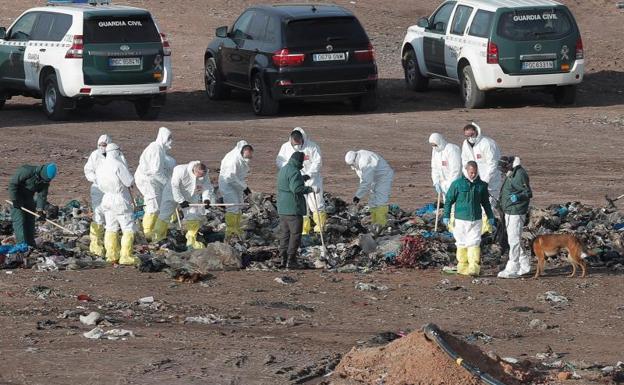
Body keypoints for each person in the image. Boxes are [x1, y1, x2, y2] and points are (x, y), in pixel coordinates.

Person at [442, 161, 495, 276]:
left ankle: (473, 268)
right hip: (460, 220)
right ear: (466, 170)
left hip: (476, 219)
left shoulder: (481, 185)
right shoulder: (457, 184)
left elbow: (486, 203)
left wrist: (490, 216)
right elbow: (449, 201)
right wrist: (446, 215)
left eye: (475, 172)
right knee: (461, 243)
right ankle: (462, 266)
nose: (473, 174)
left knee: (474, 243)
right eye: (471, 172)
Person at [155, 161, 216, 249]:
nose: (201, 177)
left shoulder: (204, 173)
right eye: (200, 176)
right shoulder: (180, 170)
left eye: (203, 175)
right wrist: (181, 200)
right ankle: (157, 239)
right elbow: (174, 186)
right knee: (164, 215)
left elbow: (207, 186)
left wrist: (206, 199)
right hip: (171, 194)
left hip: (190, 195)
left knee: (193, 216)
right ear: (195, 171)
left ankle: (191, 241)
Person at [276, 128, 325, 236]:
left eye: (299, 143)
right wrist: (291, 172)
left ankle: (319, 228)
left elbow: (317, 162)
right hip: (296, 179)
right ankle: (304, 229)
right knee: (302, 205)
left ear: (303, 139)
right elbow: (279, 161)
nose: (297, 146)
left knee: (316, 204)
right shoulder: (285, 147)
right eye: (294, 144)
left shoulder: (312, 147)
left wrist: (309, 174)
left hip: (312, 179)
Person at [95, 143, 138, 265]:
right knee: (128, 226)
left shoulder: (100, 166)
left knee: (111, 227)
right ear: (116, 151)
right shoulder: (118, 165)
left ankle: (112, 255)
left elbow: (98, 183)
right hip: (119, 199)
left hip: (107, 198)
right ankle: (125, 256)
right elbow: (129, 181)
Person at [135, 127, 175, 242]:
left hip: (153, 180)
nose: (171, 141)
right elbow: (155, 171)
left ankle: (153, 229)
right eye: (169, 138)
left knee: (157, 204)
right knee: (153, 205)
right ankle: (147, 232)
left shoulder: (160, 150)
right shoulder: (156, 149)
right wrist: (167, 183)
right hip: (147, 180)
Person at [277, 152, 317, 269]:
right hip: (293, 209)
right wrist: (310, 189)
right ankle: (291, 260)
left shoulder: (284, 169)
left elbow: (288, 182)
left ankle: (283, 259)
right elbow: (296, 188)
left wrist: (303, 178)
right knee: (295, 235)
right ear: (299, 161)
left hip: (282, 209)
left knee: (285, 235)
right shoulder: (295, 171)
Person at [461, 122, 501, 233]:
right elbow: (465, 162)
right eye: (467, 136)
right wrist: (468, 177)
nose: (470, 138)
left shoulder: (487, 143)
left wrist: (485, 181)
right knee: (475, 204)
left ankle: (487, 229)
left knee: (488, 204)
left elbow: (493, 164)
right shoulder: (466, 144)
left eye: (472, 135)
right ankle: (478, 227)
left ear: (476, 132)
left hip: (491, 181)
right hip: (475, 180)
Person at [497, 156, 533, 278]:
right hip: (509, 210)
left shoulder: (519, 174)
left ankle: (513, 267)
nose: (502, 172)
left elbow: (528, 193)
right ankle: (524, 264)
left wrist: (517, 197)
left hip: (516, 211)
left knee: (513, 240)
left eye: (503, 169)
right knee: (514, 238)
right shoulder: (511, 174)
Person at [8, 163, 57, 247]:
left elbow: (42, 195)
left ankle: (31, 243)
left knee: (30, 220)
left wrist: (40, 210)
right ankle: (22, 245)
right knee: (20, 220)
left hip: (29, 198)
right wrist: (14, 199)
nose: (45, 182)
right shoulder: (27, 171)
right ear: (42, 173)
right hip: (18, 197)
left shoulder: (45, 181)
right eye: (44, 179)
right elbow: (13, 183)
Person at [344, 150, 394, 227]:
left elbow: (366, 182)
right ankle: (375, 224)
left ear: (354, 160)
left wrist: (358, 196)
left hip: (383, 177)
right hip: (374, 178)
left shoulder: (365, 162)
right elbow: (363, 178)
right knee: (373, 202)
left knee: (380, 201)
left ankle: (381, 225)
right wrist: (359, 194)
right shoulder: (359, 158)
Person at [219, 141, 253, 241]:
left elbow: (239, 176)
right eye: (247, 157)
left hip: (237, 184)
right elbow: (230, 178)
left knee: (239, 206)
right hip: (228, 185)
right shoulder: (232, 160)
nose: (248, 159)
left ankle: (237, 228)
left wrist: (244, 187)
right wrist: (244, 187)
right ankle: (230, 232)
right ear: (242, 152)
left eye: (250, 157)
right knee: (232, 207)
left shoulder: (240, 159)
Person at [429, 133, 462, 199]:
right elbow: (434, 168)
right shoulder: (435, 151)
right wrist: (436, 182)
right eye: (432, 145)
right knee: (447, 206)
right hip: (443, 186)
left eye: (435, 145)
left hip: (455, 185)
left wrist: (450, 186)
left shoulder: (451, 149)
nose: (434, 147)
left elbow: (456, 170)